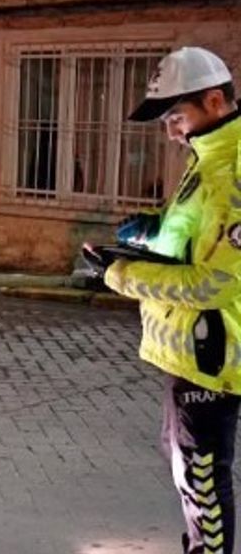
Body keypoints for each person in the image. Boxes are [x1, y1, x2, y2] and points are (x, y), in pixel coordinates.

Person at [92, 47, 241, 554]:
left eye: (177, 117)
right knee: (187, 463)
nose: (172, 132)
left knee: (203, 476)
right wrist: (151, 231)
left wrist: (119, 273)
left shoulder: (232, 171)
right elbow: (193, 238)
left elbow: (215, 282)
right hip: (195, 352)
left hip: (215, 356)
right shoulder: (210, 157)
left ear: (214, 101)